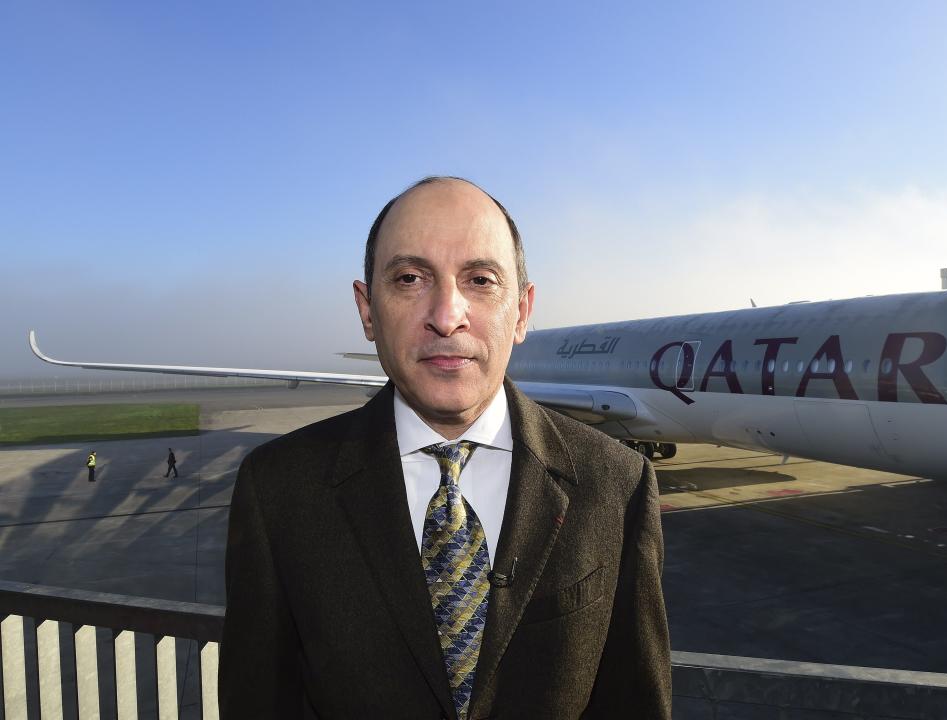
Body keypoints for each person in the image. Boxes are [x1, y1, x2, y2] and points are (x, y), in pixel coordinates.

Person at [219, 177, 671, 719]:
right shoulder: (277, 490)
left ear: (522, 311)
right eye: (410, 278)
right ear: (367, 310)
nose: (447, 314)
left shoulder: (617, 484)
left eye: (480, 280)